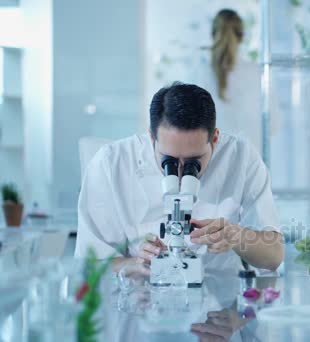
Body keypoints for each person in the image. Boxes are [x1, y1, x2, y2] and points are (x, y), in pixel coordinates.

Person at [75, 82, 285, 272]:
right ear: (151, 137)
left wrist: (238, 237)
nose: (182, 172)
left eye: (194, 161)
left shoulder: (241, 158)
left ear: (215, 138)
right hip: (141, 302)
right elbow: (88, 266)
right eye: (170, 161)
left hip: (219, 301)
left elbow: (274, 256)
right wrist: (137, 263)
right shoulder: (111, 163)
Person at [196, 9, 279, 153]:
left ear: (213, 34)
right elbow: (273, 125)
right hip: (250, 166)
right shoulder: (258, 73)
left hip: (211, 167)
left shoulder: (199, 74)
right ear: (241, 37)